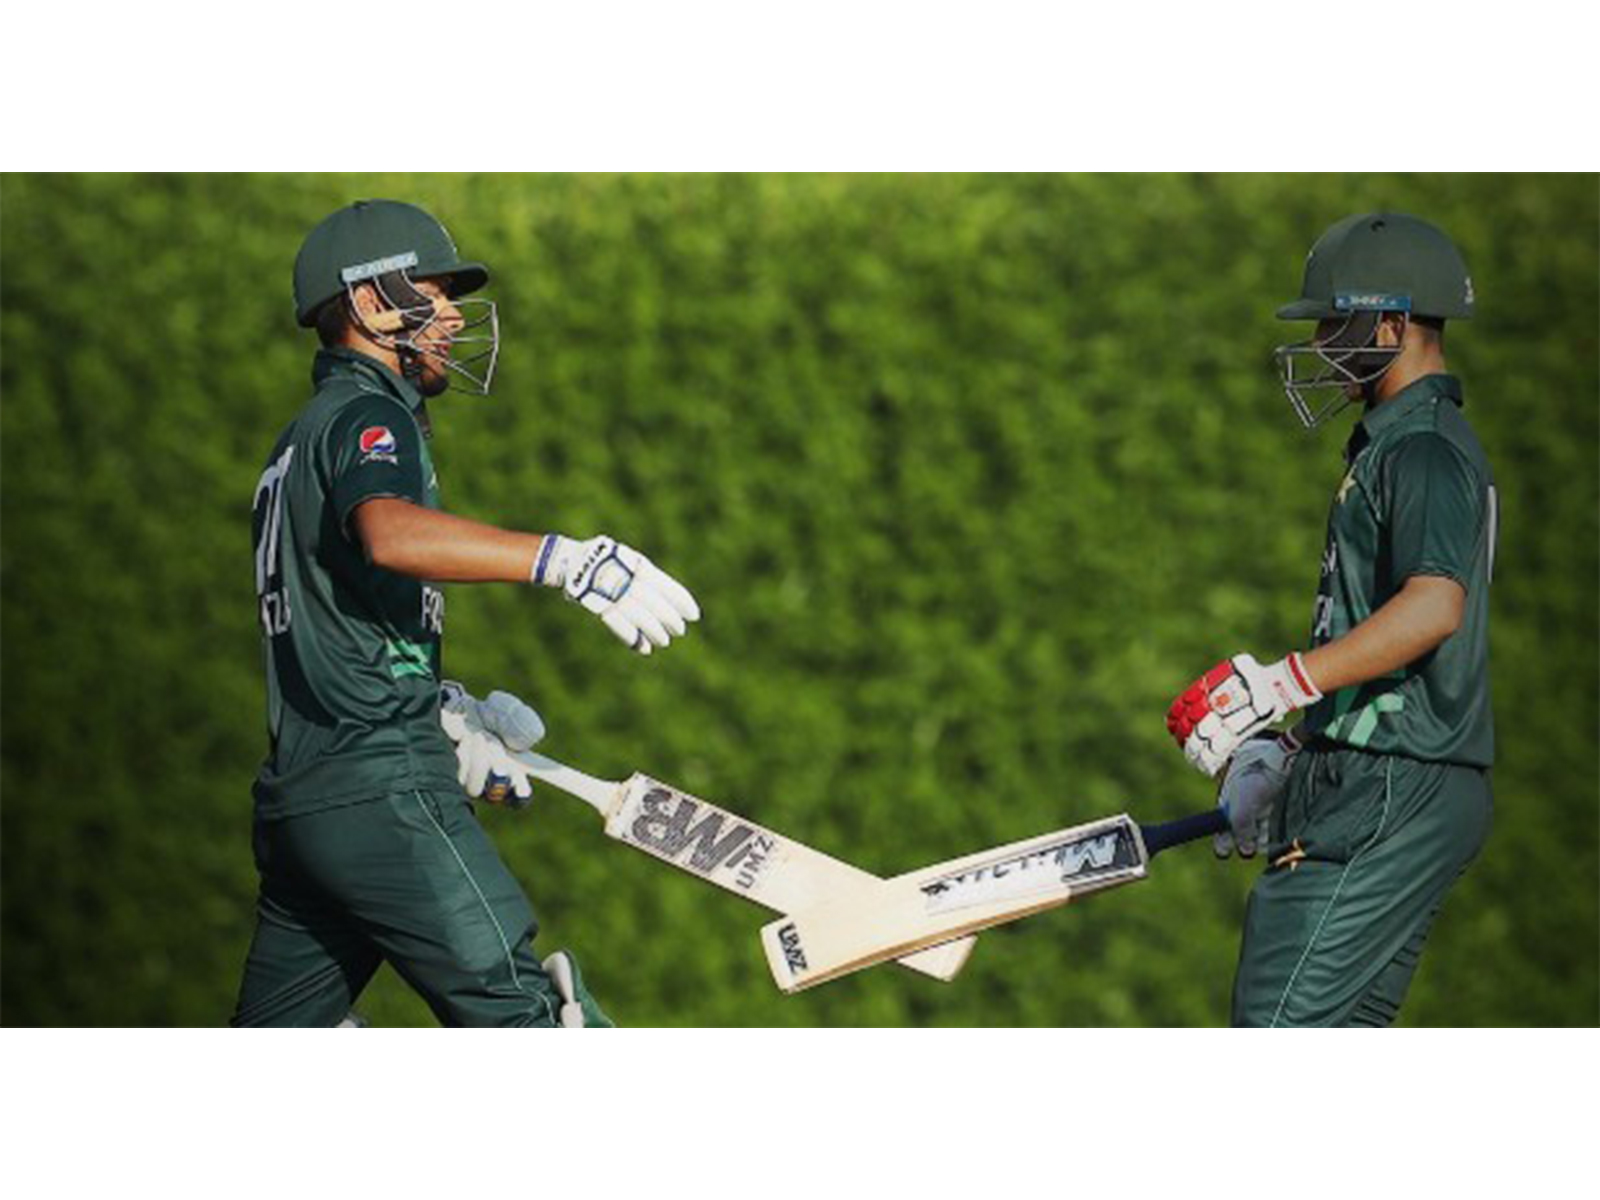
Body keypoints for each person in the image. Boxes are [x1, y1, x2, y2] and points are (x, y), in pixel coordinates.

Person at [232, 199, 700, 1027]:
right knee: (528, 1021)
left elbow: (332, 616)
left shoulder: (300, 436)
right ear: (372, 303)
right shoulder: (366, 415)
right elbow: (389, 533)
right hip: (380, 786)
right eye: (433, 292)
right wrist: (565, 561)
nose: (451, 313)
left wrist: (439, 710)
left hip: (308, 799)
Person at [1165, 212, 1496, 1027]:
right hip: (1381, 771)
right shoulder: (1392, 444)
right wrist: (1294, 750)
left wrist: (1285, 683)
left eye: (1334, 321)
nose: (1319, 341)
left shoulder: (1422, 449)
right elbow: (1381, 636)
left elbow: (1432, 605)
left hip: (1390, 781)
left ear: (1393, 324)